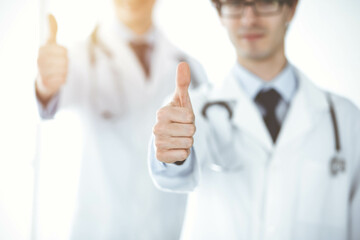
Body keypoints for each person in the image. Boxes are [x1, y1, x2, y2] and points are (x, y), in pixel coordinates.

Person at [149, 0, 360, 239]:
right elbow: (176, 173)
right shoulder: (193, 111)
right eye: (236, 3)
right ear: (220, 13)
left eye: (265, 2)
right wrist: (174, 153)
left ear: (290, 8)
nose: (249, 18)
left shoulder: (345, 121)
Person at [35, 0, 207, 239]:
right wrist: (46, 86)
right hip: (99, 230)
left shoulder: (191, 70)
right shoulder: (81, 57)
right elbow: (54, 94)